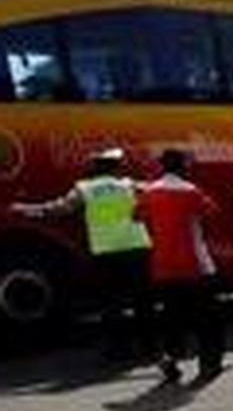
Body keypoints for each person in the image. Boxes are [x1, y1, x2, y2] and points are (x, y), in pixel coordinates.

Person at [9, 148, 153, 360]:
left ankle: (119, 349)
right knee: (142, 302)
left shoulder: (84, 189)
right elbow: (158, 193)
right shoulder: (129, 185)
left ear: (94, 168)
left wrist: (24, 209)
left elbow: (57, 209)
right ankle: (149, 348)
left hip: (106, 252)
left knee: (112, 305)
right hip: (136, 249)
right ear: (117, 167)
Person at [137, 149, 225, 384]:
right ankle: (210, 364)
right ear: (183, 166)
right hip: (196, 265)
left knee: (172, 316)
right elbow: (213, 213)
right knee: (207, 318)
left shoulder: (149, 192)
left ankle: (170, 357)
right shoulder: (190, 191)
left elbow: (137, 216)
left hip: (163, 266)